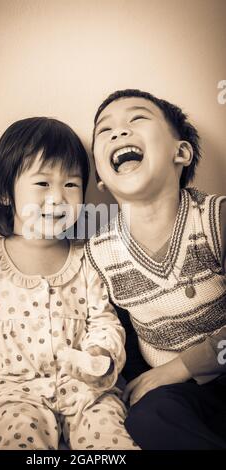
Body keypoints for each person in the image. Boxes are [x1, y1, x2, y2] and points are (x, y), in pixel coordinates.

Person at [0, 116, 138, 450]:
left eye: (71, 184)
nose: (58, 197)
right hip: (10, 393)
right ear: (5, 193)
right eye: (42, 184)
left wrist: (101, 354)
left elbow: (104, 321)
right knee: (18, 438)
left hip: (84, 391)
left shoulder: (88, 261)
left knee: (113, 441)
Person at [85, 89, 226, 449]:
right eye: (105, 130)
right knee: (147, 418)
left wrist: (182, 366)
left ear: (180, 152)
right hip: (181, 396)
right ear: (101, 178)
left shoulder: (214, 220)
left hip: (199, 368)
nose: (118, 133)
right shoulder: (100, 252)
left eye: (137, 119)